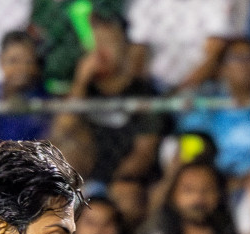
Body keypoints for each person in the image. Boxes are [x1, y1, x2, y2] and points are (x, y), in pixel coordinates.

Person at [52, 13, 167, 185]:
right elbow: (62, 129)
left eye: (109, 43)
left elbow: (144, 153)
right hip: (85, 173)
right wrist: (81, 81)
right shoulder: (83, 90)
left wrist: (110, 186)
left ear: (126, 50)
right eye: (96, 43)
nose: (100, 51)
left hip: (125, 179)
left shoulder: (144, 92)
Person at [176, 39, 250, 180]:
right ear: (222, 69)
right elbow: (190, 136)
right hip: (212, 180)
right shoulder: (208, 103)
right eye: (235, 58)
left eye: (249, 58)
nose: (243, 64)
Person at [0, 31, 51, 142]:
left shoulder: (44, 98)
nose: (21, 68)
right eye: (13, 61)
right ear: (1, 61)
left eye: (28, 61)